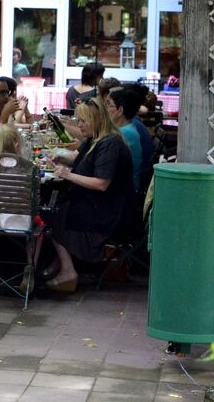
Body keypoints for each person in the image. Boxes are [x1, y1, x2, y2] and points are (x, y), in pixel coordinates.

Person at [45, 97, 134, 292]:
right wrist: (63, 159)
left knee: (54, 212)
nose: (79, 125)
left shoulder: (110, 144)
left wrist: (68, 175)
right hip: (98, 203)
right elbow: (82, 160)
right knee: (56, 204)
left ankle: (67, 271)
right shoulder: (95, 139)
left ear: (98, 120)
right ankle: (59, 263)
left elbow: (101, 183)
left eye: (83, 121)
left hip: (109, 212)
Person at [0, 124, 37, 290]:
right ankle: (31, 266)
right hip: (20, 223)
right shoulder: (27, 168)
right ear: (17, 145)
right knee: (39, 225)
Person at [106, 87, 147, 193]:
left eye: (109, 105)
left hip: (124, 190)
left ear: (120, 110)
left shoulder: (125, 133)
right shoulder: (127, 128)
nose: (106, 109)